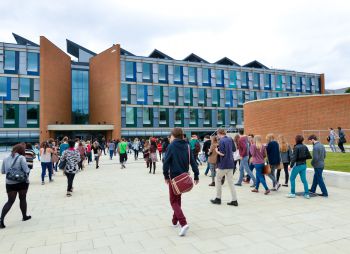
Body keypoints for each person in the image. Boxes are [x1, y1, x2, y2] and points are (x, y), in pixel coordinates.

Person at [163, 128, 199, 237]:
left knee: (173, 201)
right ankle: (175, 221)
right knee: (177, 198)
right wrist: (196, 175)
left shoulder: (171, 146)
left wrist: (165, 175)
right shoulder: (187, 146)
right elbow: (193, 162)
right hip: (183, 177)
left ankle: (183, 223)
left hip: (174, 178)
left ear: (173, 136)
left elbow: (166, 162)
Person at [1, 144, 31, 228]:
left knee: (10, 201)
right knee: (22, 198)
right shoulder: (21, 158)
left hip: (10, 183)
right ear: (21, 150)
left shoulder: (5, 158)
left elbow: (3, 171)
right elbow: (26, 170)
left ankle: (1, 219)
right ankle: (24, 216)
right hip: (21, 182)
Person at [210, 128, 239, 206]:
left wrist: (216, 151)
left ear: (219, 133)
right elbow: (234, 149)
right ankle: (234, 200)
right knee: (231, 182)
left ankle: (218, 198)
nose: (217, 136)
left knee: (218, 179)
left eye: (217, 134)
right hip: (231, 163)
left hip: (223, 164)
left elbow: (222, 154)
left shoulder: (222, 141)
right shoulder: (230, 139)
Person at [287, 135, 312, 199]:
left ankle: (292, 193)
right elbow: (309, 156)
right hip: (304, 165)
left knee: (292, 178)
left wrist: (290, 166)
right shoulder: (305, 146)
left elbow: (294, 158)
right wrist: (302, 158)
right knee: (304, 180)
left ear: (296, 140)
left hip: (297, 165)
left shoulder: (296, 147)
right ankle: (307, 194)